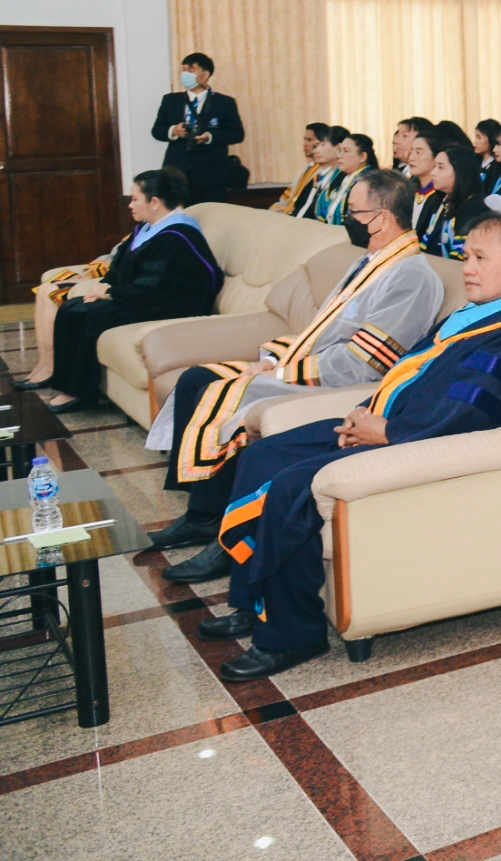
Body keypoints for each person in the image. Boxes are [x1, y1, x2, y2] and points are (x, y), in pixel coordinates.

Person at [199, 217, 501, 679]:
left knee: (293, 487)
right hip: (384, 422)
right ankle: (255, 601)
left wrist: (386, 433)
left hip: (414, 440)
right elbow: (409, 371)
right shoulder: (476, 312)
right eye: (465, 256)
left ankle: (292, 634)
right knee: (261, 455)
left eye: (480, 258)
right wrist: (363, 415)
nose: (466, 268)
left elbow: (473, 409)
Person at [151, 170, 446, 580]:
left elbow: (364, 361)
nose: (347, 218)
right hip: (307, 366)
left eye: (354, 211)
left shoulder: (411, 275)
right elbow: (322, 329)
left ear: (380, 217)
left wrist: (283, 369)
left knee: (219, 390)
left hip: (338, 382)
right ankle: (202, 513)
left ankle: (221, 532)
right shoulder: (371, 261)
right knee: (195, 379)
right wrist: (273, 360)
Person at [28, 170, 224, 407]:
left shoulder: (178, 235)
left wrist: (111, 294)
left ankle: (79, 394)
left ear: (154, 202)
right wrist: (104, 286)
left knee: (88, 315)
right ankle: (66, 385)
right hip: (141, 297)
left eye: (134, 199)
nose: (130, 205)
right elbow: (121, 266)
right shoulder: (148, 228)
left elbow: (158, 287)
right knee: (71, 308)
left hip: (170, 306)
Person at [151, 53, 244, 202]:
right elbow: (157, 131)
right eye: (184, 69)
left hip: (211, 174)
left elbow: (237, 134)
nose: (185, 74)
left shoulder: (224, 102)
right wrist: (173, 131)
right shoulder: (171, 100)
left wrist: (209, 137)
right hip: (176, 172)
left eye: (191, 70)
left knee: (210, 217)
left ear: (204, 75)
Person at [418, 135, 494, 259]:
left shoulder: (475, 210)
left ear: (460, 172)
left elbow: (461, 259)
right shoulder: (440, 202)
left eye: (440, 167)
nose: (433, 173)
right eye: (434, 166)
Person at [320, 133, 379, 225]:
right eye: (340, 151)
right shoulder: (341, 178)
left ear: (362, 157)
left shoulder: (369, 183)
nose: (339, 155)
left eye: (346, 151)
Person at [272, 123, 327, 213]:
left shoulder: (323, 170)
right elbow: (289, 196)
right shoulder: (309, 167)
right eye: (304, 139)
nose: (305, 144)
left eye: (309, 140)